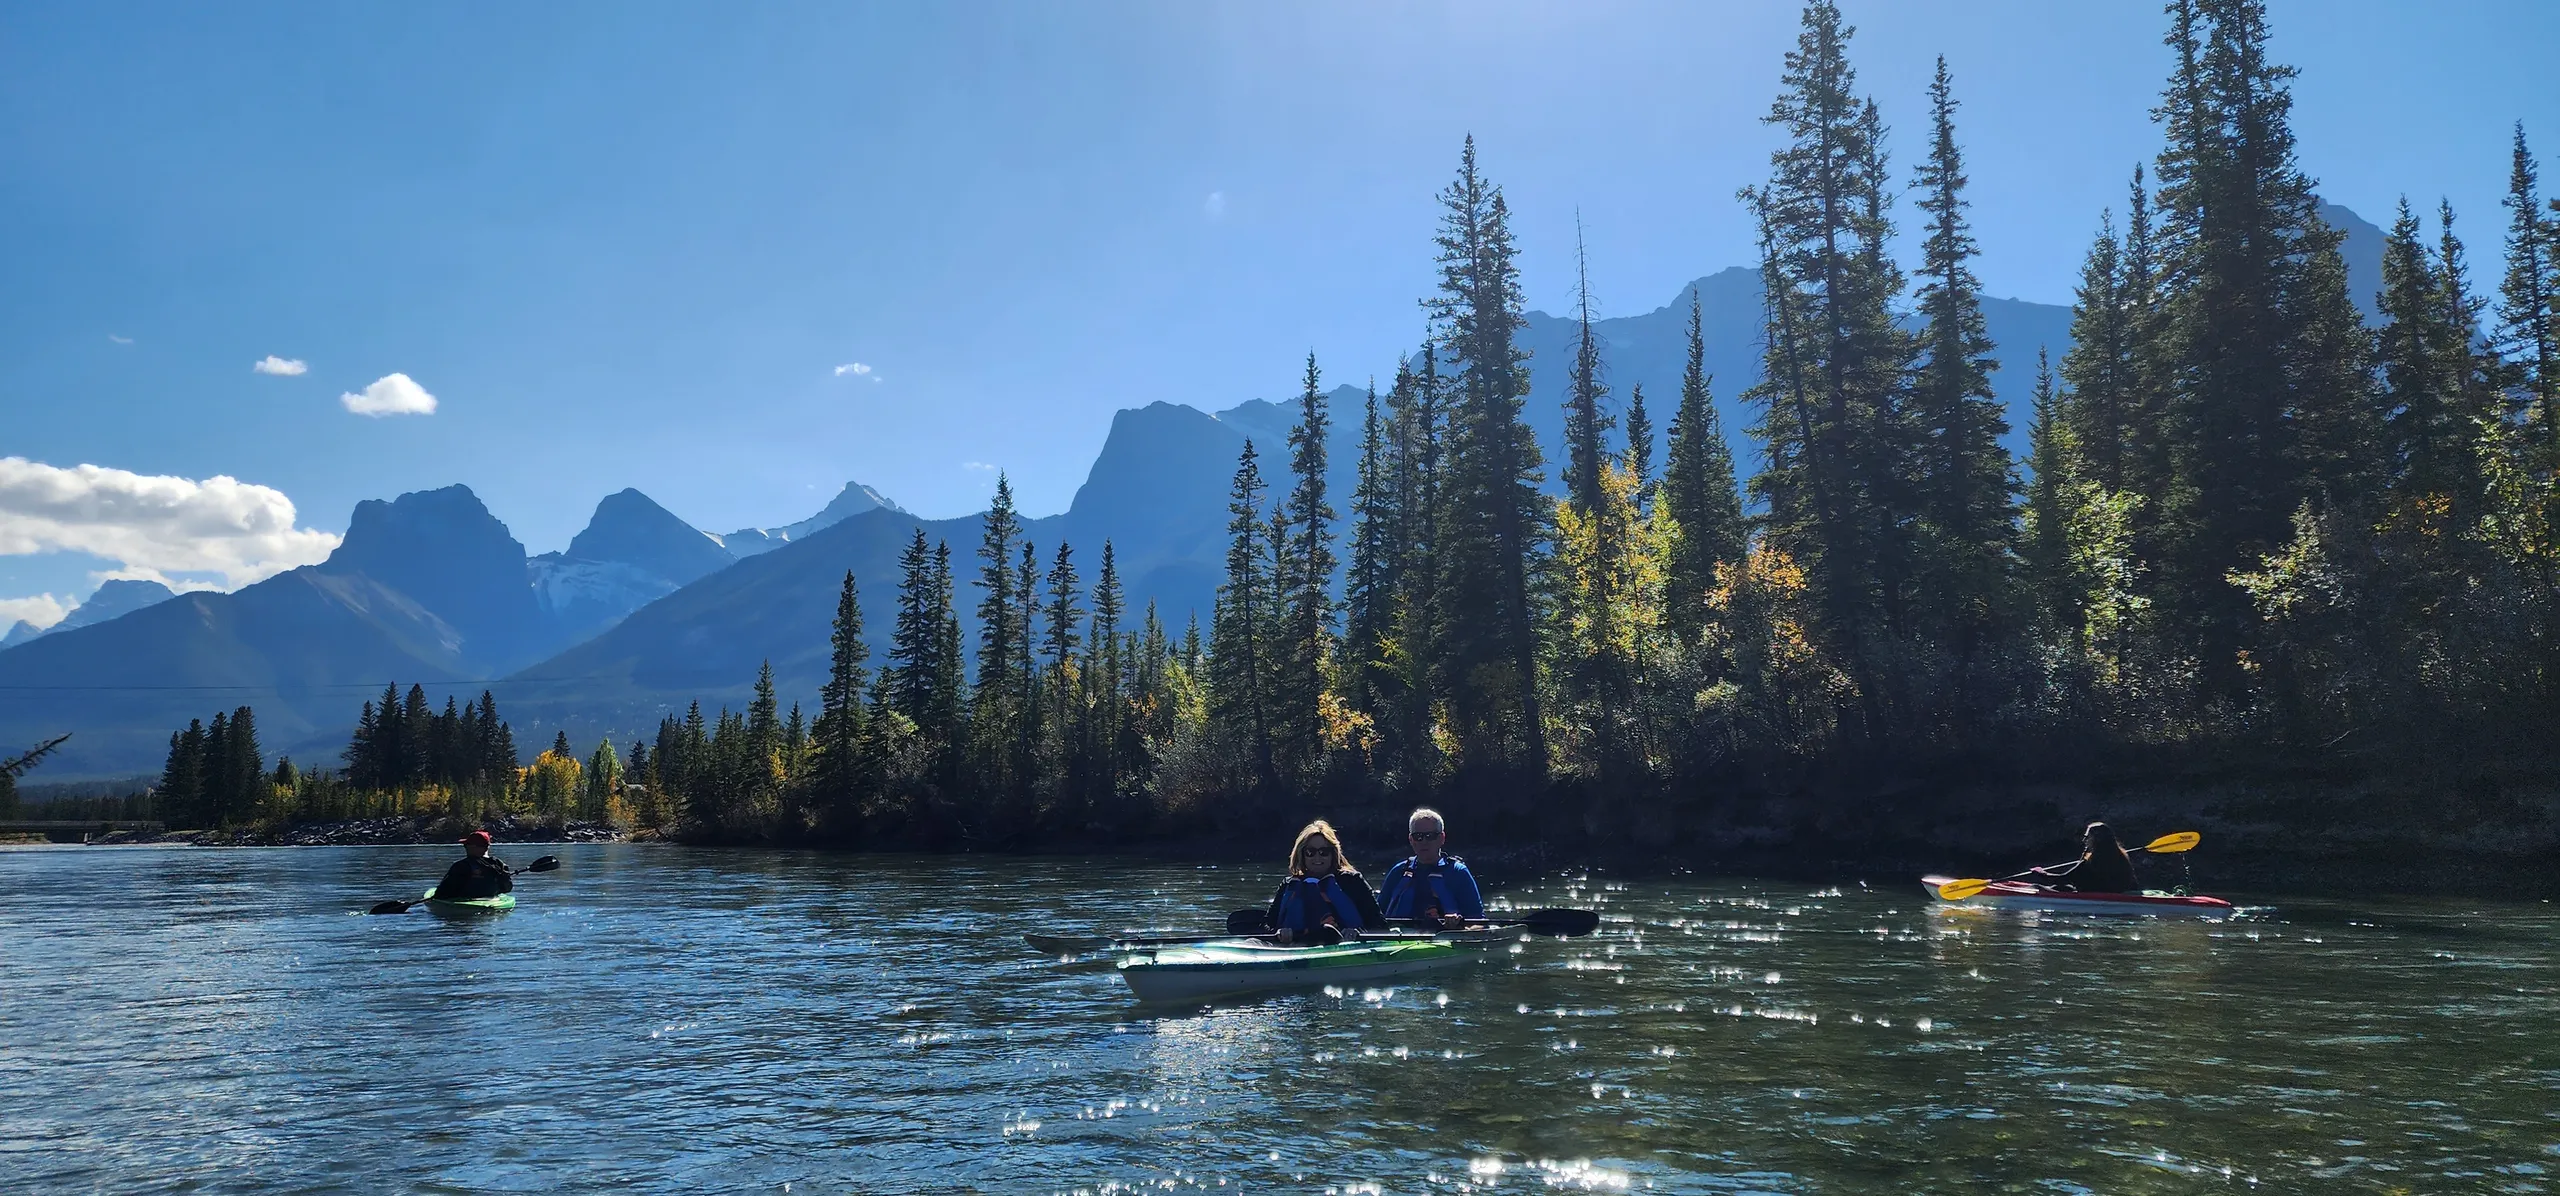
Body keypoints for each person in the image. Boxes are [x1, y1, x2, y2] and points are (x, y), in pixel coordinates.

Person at [1265, 819, 1383, 944]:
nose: (1317, 858)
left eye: (1324, 852)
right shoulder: (1288, 884)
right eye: (1310, 852)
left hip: (1344, 945)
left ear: (1333, 854)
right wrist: (1278, 932)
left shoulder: (1352, 881)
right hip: (1296, 946)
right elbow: (1267, 925)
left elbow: (1380, 925)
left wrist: (1358, 932)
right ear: (1301, 854)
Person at [1375, 806, 1484, 930]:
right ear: (1411, 840)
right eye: (1418, 837)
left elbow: (1479, 924)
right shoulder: (1398, 872)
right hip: (1400, 936)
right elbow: (1376, 918)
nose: (1424, 842)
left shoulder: (1458, 873)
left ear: (1442, 838)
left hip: (1444, 937)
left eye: (1430, 836)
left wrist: (1459, 927)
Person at [2030, 821, 2138, 893]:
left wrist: (2040, 873)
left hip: (2097, 897)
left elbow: (2062, 879)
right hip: (2112, 893)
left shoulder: (2091, 863)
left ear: (2096, 839)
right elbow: (2132, 883)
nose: (2084, 840)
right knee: (2061, 888)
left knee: (2036, 886)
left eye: (2087, 837)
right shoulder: (2121, 857)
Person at [433, 830, 515, 901]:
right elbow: (507, 888)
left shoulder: (461, 866)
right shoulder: (499, 864)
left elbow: (442, 892)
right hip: (491, 900)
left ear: (472, 847)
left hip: (464, 905)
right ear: (488, 847)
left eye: (466, 845)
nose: (465, 848)